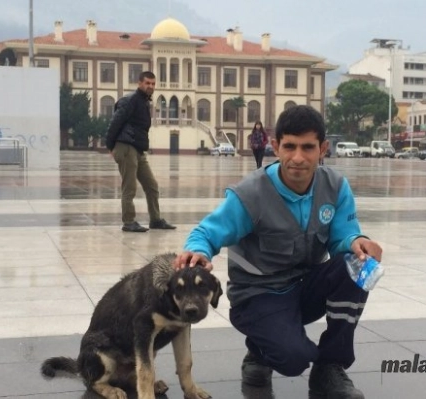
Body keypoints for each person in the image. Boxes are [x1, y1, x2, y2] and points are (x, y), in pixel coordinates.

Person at [174, 105, 382, 398]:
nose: (298, 157)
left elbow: (342, 237)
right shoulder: (251, 194)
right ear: (275, 147)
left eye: (308, 147)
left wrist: (356, 241)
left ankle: (330, 368)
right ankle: (258, 350)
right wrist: (197, 252)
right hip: (258, 296)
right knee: (294, 358)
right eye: (290, 147)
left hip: (303, 289)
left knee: (358, 265)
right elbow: (207, 233)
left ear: (323, 148)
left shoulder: (335, 187)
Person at [105, 71, 176, 233]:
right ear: (139, 83)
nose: (150, 86)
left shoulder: (143, 102)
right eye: (147, 83)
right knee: (129, 187)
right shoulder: (130, 101)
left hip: (137, 149)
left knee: (152, 185)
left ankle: (155, 220)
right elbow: (115, 122)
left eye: (152, 83)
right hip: (126, 146)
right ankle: (128, 221)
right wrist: (110, 145)